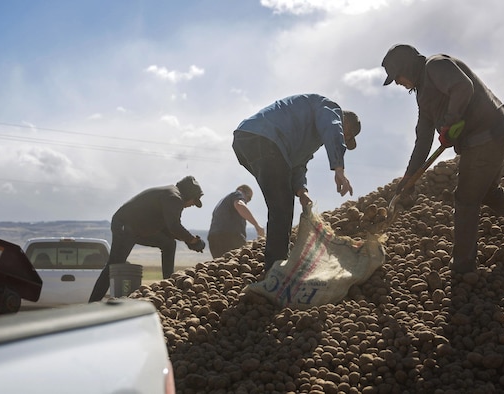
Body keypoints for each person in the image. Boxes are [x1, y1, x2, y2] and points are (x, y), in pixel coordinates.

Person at [380, 44, 504, 275]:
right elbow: (423, 139)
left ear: (407, 67)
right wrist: (408, 178)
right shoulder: (424, 96)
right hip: (490, 134)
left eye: (397, 76)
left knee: (465, 198)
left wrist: (450, 122)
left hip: (487, 134)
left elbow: (463, 87)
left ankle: (463, 267)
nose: (397, 82)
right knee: (488, 192)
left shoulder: (435, 65)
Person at [232, 93, 361, 272]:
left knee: (280, 202)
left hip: (247, 140)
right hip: (265, 138)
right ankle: (275, 270)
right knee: (282, 208)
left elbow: (296, 163)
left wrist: (302, 192)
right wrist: (339, 168)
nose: (344, 139)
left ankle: (276, 262)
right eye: (346, 136)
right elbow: (333, 128)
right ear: (345, 124)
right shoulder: (331, 109)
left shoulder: (308, 134)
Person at [88, 175, 206, 302]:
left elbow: (168, 229)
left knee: (168, 244)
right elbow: (173, 226)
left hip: (139, 229)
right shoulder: (174, 198)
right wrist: (192, 240)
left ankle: (169, 285)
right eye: (194, 201)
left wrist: (189, 241)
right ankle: (92, 304)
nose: (192, 205)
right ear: (188, 194)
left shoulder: (171, 195)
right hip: (125, 227)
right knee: (114, 265)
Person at [207, 184, 266, 258]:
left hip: (213, 239)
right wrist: (257, 225)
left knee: (221, 264)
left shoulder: (223, 203)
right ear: (241, 190)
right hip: (230, 237)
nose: (247, 201)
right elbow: (239, 205)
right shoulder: (237, 194)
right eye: (248, 198)